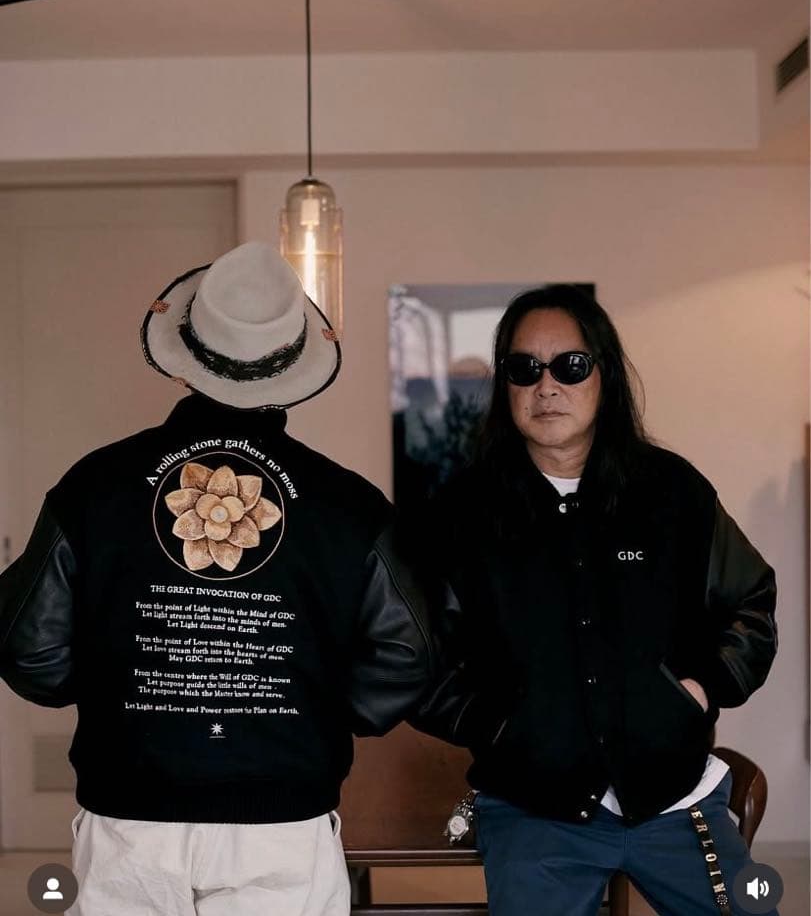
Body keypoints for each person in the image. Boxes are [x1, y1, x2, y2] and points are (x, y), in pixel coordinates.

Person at [0, 241, 433, 916]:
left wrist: (123, 691)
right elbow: (408, 654)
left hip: (129, 818)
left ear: (187, 361)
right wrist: (317, 710)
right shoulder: (350, 506)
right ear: (291, 367)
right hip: (283, 820)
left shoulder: (95, 485)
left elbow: (30, 651)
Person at [412, 285, 778, 916]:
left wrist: (699, 689)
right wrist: (496, 726)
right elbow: (418, 653)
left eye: (570, 366)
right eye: (524, 369)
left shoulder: (674, 493)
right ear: (505, 385)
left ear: (604, 374)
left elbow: (750, 602)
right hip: (534, 811)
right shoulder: (462, 514)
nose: (546, 387)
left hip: (676, 800)